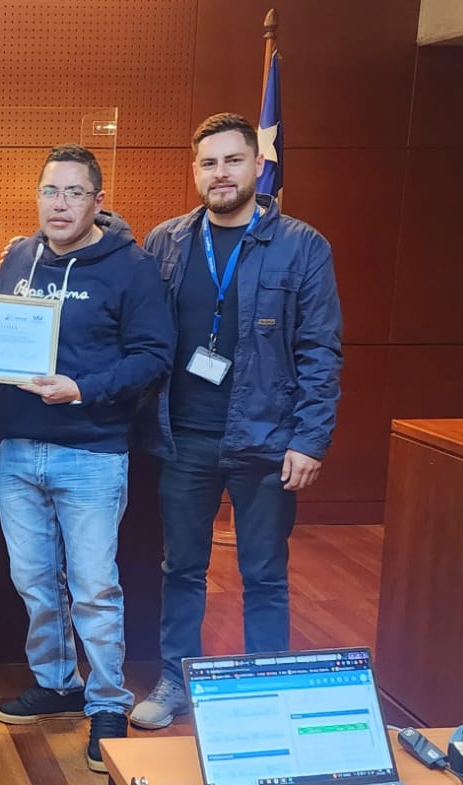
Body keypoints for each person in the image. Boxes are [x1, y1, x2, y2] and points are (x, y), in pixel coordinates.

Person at [130, 113, 343, 730]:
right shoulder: (166, 240)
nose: (220, 173)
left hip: (268, 439)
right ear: (195, 172)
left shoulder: (302, 245)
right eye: (208, 163)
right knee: (181, 568)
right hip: (183, 437)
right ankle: (177, 679)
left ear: (257, 166)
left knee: (265, 573)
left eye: (231, 161)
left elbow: (321, 350)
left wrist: (310, 438)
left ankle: (268, 687)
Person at [0, 144, 174, 772]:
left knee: (94, 587)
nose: (59, 204)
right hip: (17, 450)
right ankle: (58, 681)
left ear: (97, 200)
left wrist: (83, 388)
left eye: (73, 192)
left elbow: (153, 356)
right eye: (49, 191)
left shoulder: (132, 267)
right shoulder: (18, 256)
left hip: (92, 452)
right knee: (34, 581)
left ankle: (107, 703)